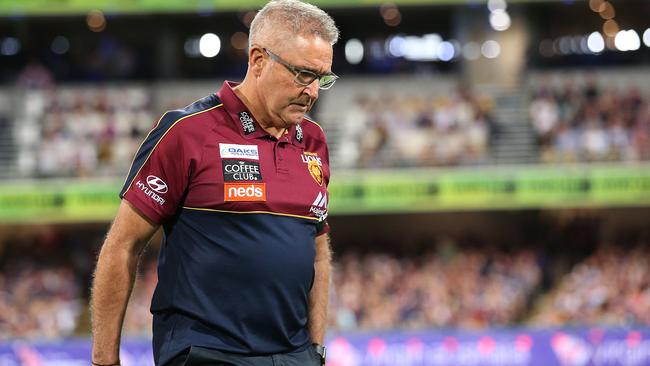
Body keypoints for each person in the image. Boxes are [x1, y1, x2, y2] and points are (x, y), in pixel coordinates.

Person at [90, 1, 339, 365]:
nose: (313, 91)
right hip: (206, 354)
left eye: (322, 78)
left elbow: (317, 250)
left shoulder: (313, 139)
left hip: (293, 355)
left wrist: (315, 350)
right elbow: (122, 245)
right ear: (258, 60)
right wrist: (104, 360)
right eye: (303, 74)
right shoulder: (186, 132)